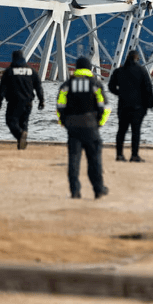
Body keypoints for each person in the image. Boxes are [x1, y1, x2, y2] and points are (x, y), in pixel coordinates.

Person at [56, 56, 111, 199]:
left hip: (73, 127)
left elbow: (60, 106)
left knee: (73, 160)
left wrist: (64, 122)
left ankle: (75, 191)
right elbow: (104, 107)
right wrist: (99, 123)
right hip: (90, 125)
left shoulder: (67, 85)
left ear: (76, 68)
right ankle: (98, 189)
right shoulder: (95, 84)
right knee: (94, 160)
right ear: (90, 68)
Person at [108, 50, 153, 162]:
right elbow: (148, 89)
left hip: (123, 106)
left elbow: (111, 86)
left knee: (121, 131)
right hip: (138, 107)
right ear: (137, 58)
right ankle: (134, 155)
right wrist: (150, 104)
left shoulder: (119, 71)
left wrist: (120, 94)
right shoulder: (142, 71)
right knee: (136, 131)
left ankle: (119, 155)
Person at [0, 49, 44, 150]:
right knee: (24, 122)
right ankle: (22, 143)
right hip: (28, 102)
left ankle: (20, 135)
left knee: (11, 121)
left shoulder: (9, 71)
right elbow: (38, 87)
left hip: (14, 102)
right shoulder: (32, 71)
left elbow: (3, 88)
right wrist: (41, 100)